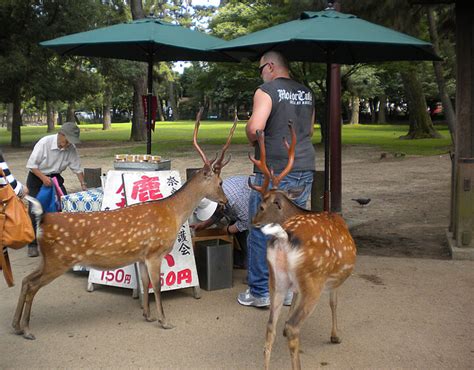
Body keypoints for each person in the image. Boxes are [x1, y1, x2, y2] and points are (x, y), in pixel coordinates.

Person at [238, 51, 315, 308]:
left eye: (261, 69)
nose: (261, 74)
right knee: (291, 231)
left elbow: (255, 128)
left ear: (270, 66)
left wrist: (250, 135)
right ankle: (289, 291)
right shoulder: (306, 93)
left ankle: (260, 291)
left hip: (272, 172)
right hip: (303, 167)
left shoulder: (266, 90)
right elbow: (309, 130)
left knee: (262, 229)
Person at [25, 122, 87, 257]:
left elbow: (76, 168)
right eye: (68, 140)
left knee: (64, 205)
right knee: (34, 209)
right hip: (37, 177)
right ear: (61, 134)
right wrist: (43, 178)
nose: (69, 143)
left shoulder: (71, 148)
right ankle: (33, 244)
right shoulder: (44, 143)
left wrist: (83, 184)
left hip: (55, 179)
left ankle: (60, 240)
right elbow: (31, 165)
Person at [191, 175, 251, 269]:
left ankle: (251, 267)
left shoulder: (234, 200)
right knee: (237, 231)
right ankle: (244, 260)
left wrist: (228, 230)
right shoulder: (217, 195)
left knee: (249, 238)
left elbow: (247, 222)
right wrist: (203, 225)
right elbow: (218, 212)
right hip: (243, 210)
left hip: (258, 210)